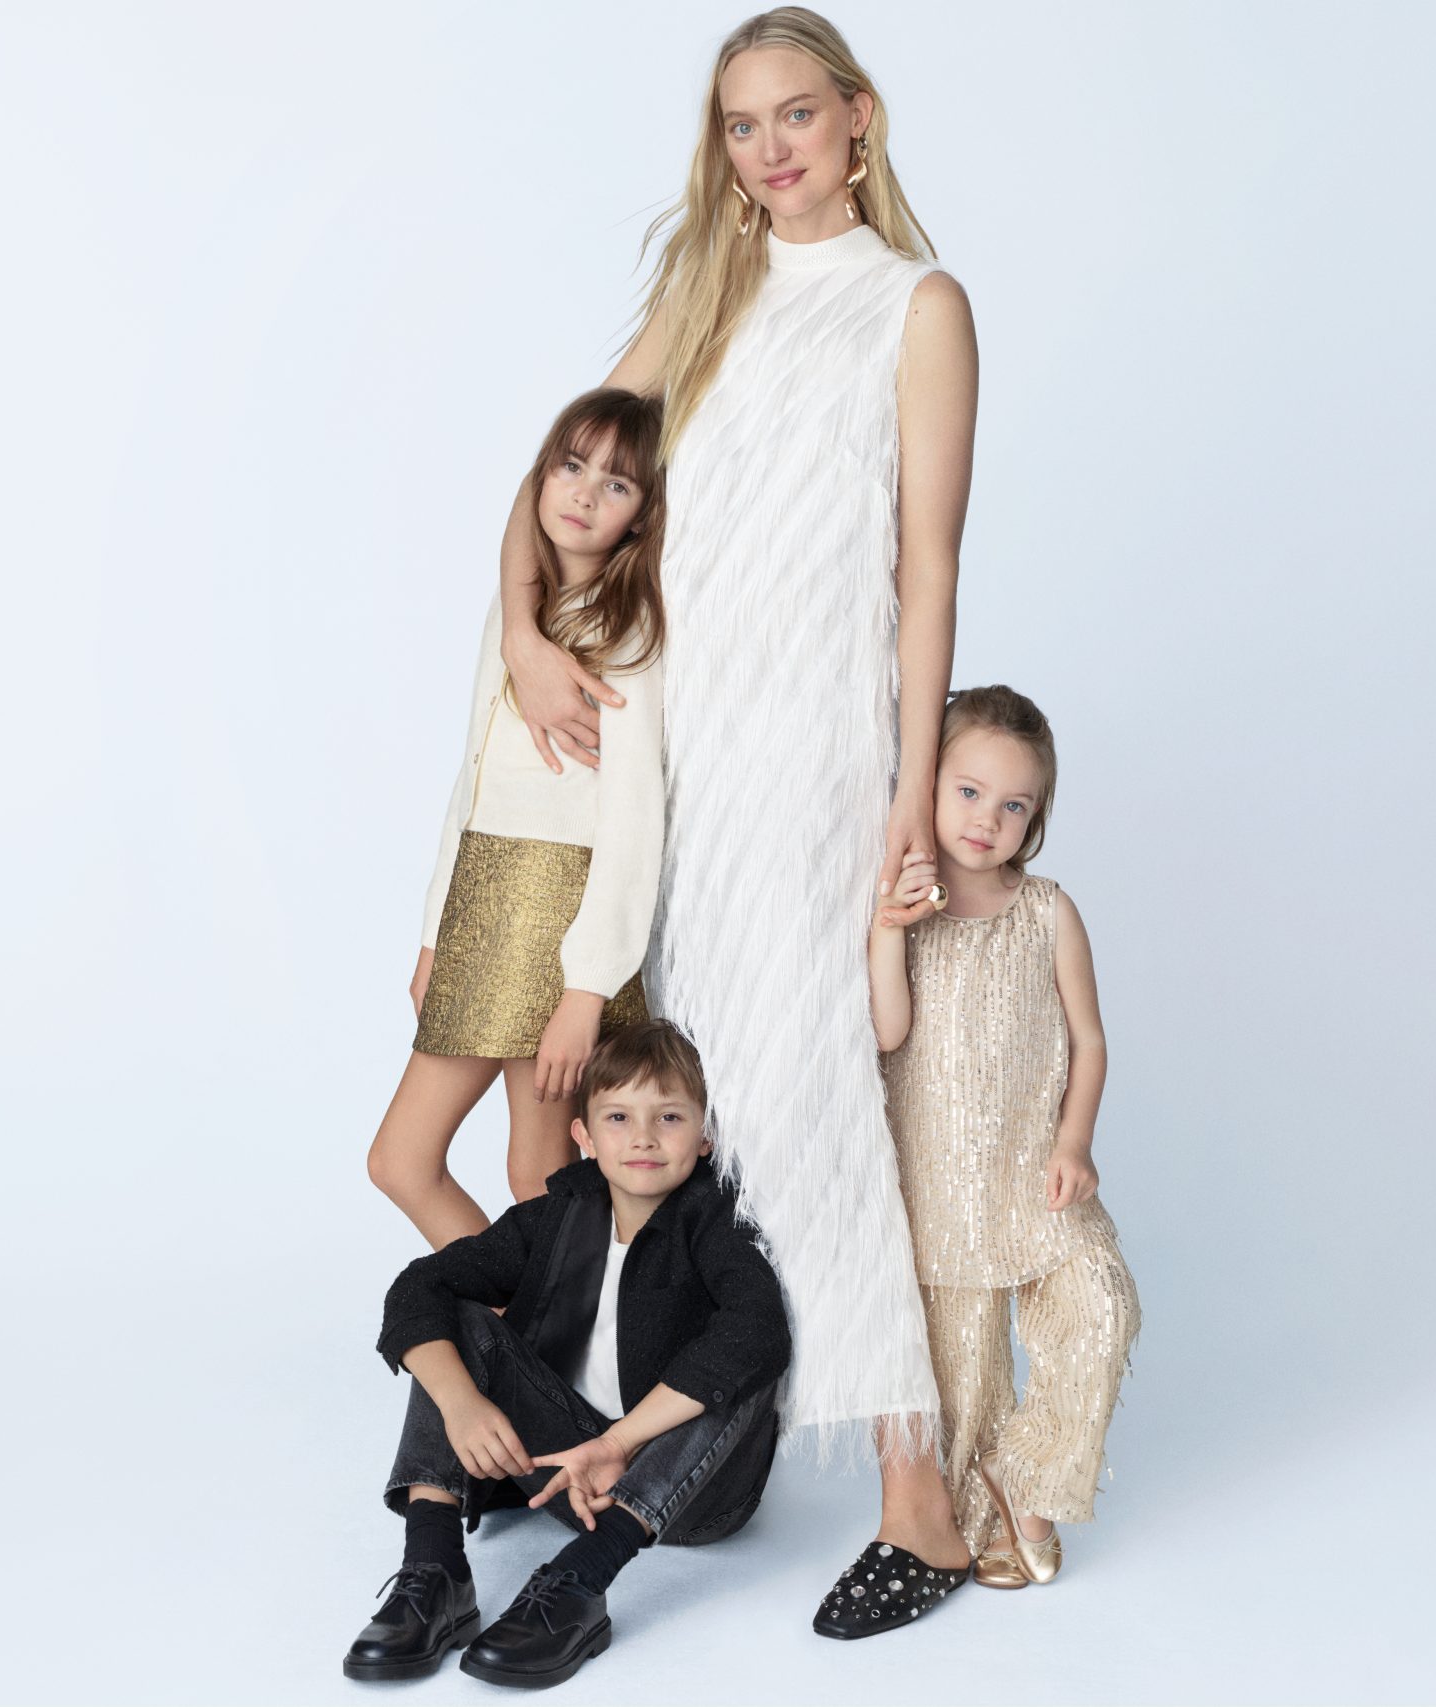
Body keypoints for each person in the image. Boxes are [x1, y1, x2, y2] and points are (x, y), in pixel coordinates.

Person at [492, 8, 982, 1634]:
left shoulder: (916, 306)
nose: (769, 149)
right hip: (669, 749)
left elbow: (927, 569)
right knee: (684, 1094)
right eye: (738, 125)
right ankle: (693, 1435)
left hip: (814, 753)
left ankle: (920, 1497)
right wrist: (524, 634)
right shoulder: (702, 291)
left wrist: (909, 796)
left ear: (858, 117)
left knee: (806, 1095)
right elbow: (568, 471)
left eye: (796, 115)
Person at [347, 1020, 792, 1689]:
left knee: (742, 1357)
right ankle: (434, 1570)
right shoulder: (558, 1213)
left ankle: (581, 1578)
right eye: (619, 1117)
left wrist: (620, 1441)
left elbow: (757, 1332)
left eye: (669, 1117)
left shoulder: (716, 1221)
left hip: (690, 1494)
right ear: (584, 1134)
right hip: (563, 1476)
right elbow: (418, 1287)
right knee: (454, 1314)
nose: (643, 1137)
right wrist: (462, 1404)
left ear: (706, 1136)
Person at [368, 390, 667, 1250]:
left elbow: (635, 819)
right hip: (486, 900)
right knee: (418, 1162)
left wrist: (587, 987)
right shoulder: (514, 614)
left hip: (561, 914)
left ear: (642, 515)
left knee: (536, 1171)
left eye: (616, 484)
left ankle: (549, 1327)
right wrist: (438, 933)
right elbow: (471, 780)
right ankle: (529, 1321)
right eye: (571, 466)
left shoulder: (633, 630)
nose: (584, 492)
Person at [869, 686, 1141, 1591]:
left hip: (1034, 1172)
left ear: (1037, 817)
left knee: (1102, 1305)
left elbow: (1089, 1040)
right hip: (938, 1188)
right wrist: (888, 926)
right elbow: (888, 1032)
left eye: (1014, 804)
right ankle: (986, 1513)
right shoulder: (905, 909)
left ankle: (1031, 1476)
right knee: (965, 1378)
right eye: (969, 791)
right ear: (927, 785)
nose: (987, 820)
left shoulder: (1049, 910)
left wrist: (1076, 1142)